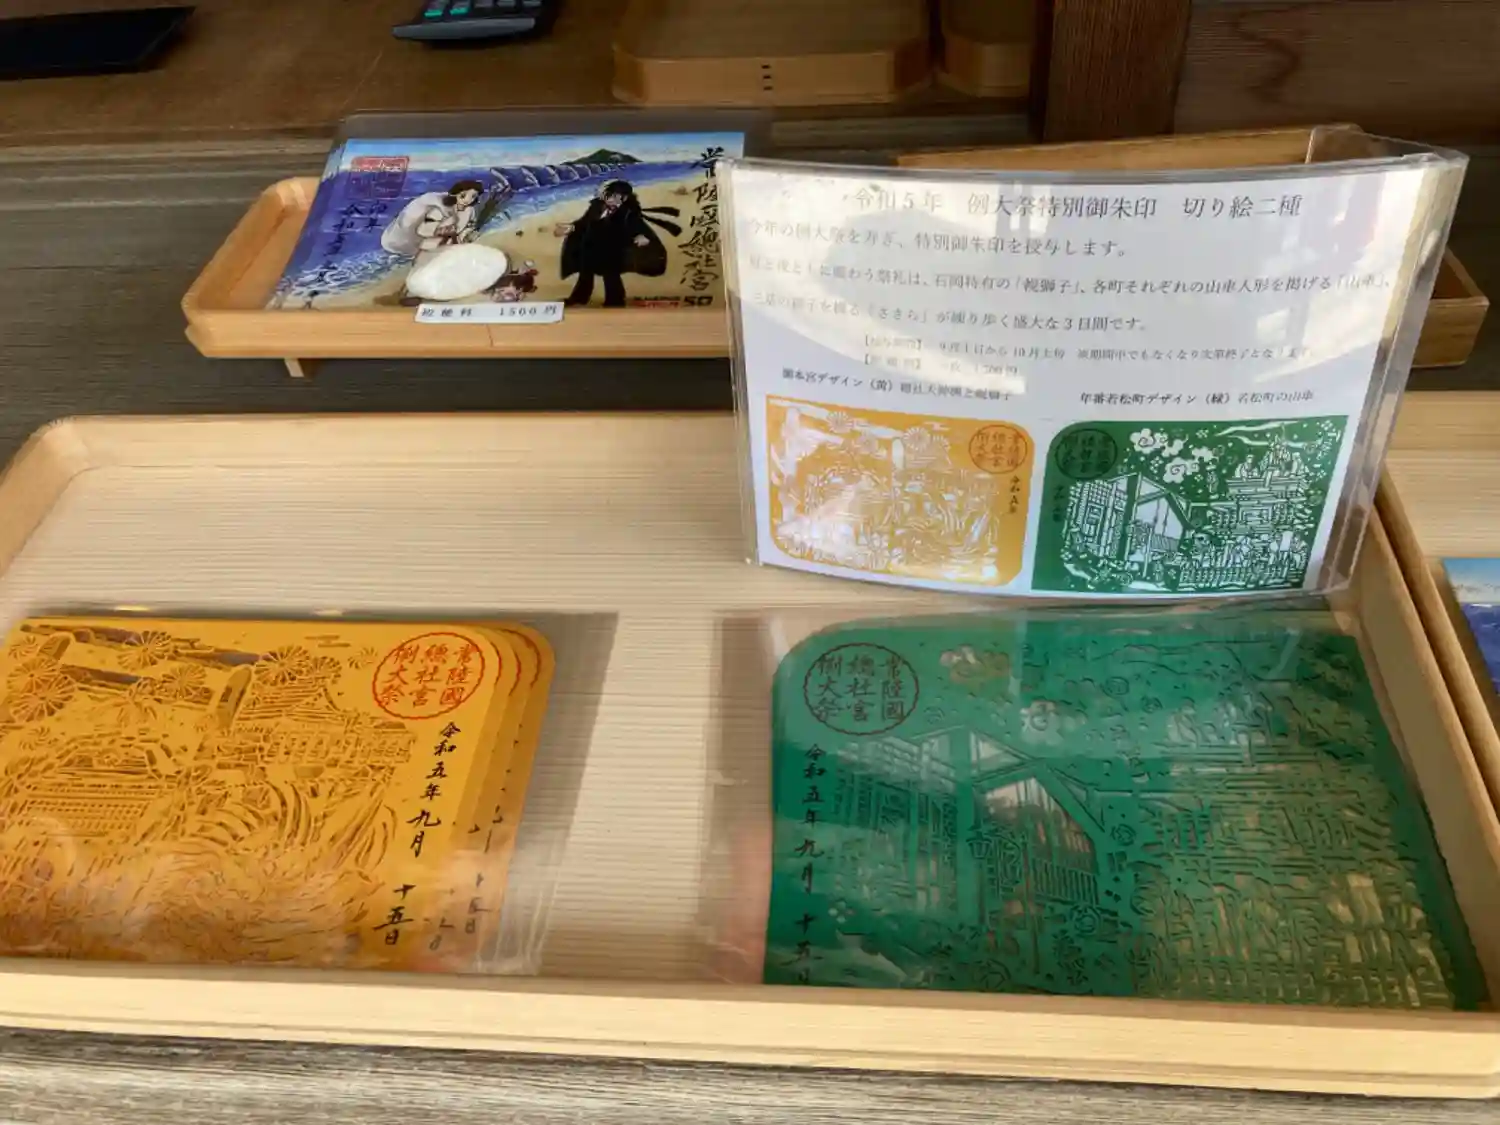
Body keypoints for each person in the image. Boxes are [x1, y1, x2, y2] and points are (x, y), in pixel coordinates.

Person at [554, 180, 682, 308]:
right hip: (591, 246)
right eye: (609, 195)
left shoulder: (628, 212)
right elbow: (584, 222)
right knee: (585, 273)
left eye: (615, 196)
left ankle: (615, 300)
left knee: (610, 274)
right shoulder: (597, 207)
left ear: (624, 198)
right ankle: (579, 298)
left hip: (613, 249)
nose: (610, 199)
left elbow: (636, 226)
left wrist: (641, 236)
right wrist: (572, 227)